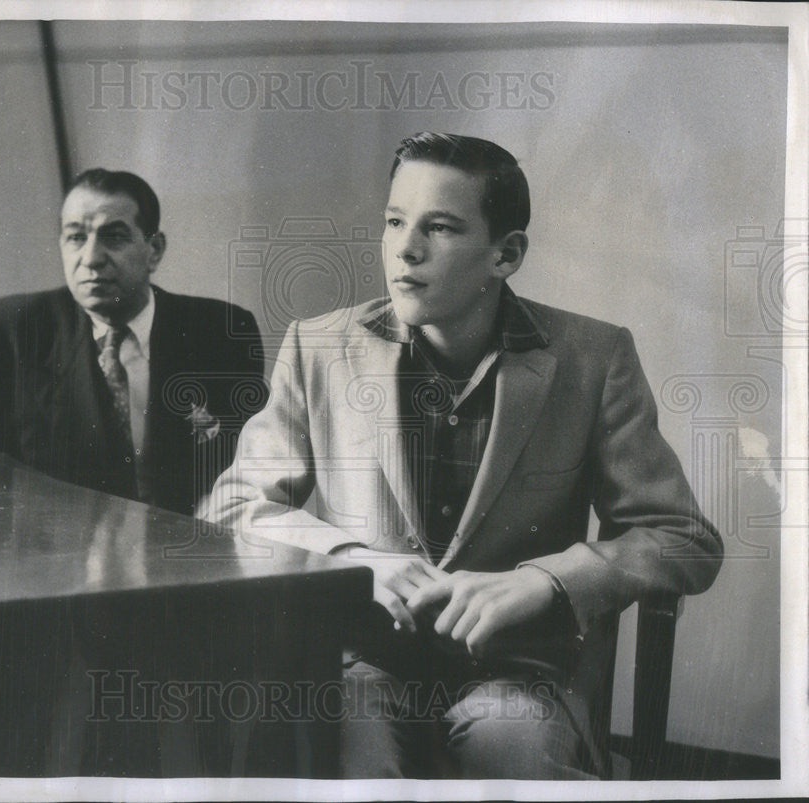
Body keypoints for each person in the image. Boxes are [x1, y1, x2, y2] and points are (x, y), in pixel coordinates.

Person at [201, 133, 723, 778]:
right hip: (364, 660)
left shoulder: (593, 358)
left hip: (518, 671)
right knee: (351, 753)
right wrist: (352, 559)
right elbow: (229, 506)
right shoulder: (319, 347)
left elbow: (683, 537)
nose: (406, 249)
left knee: (513, 750)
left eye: (440, 227)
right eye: (394, 222)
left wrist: (549, 580)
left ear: (506, 254)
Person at [0, 168, 265, 516]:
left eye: (114, 237)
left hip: (185, 552)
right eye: (76, 237)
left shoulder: (221, 332)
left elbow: (250, 465)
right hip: (54, 554)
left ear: (154, 250)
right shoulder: (8, 330)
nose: (91, 259)